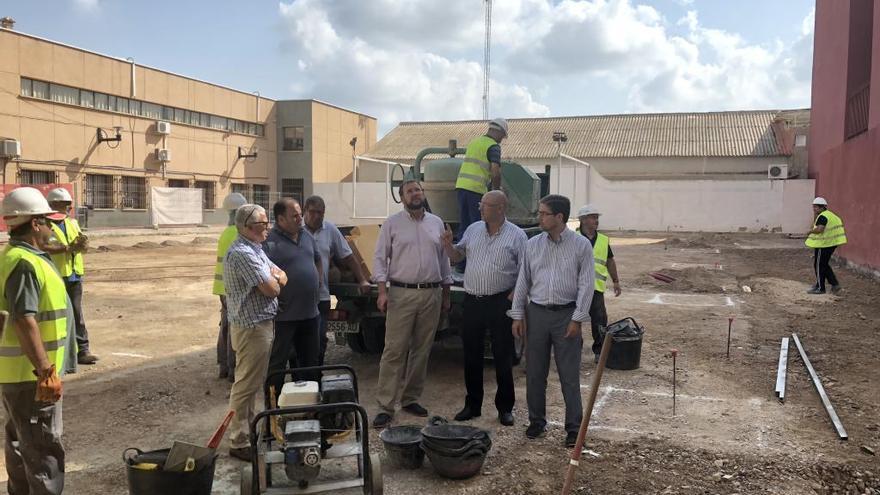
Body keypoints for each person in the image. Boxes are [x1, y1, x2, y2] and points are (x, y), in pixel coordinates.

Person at [508, 194, 594, 448]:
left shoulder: (580, 246)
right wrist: (517, 314)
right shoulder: (532, 245)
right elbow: (523, 280)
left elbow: (586, 285)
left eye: (544, 213)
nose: (540, 217)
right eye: (540, 213)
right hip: (537, 315)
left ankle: (573, 429)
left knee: (569, 375)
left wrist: (577, 318)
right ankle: (536, 422)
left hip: (567, 316)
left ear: (560, 217)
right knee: (534, 372)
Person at [0, 187, 70, 494]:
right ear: (36, 223)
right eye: (47, 221)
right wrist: (45, 370)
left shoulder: (16, 257)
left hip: (15, 373)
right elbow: (24, 319)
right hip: (30, 377)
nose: (53, 227)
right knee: (42, 448)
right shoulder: (25, 264)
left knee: (20, 441)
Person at [440, 190, 526, 427]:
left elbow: (525, 271)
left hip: (500, 302)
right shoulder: (473, 229)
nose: (480, 208)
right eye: (481, 204)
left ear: (500, 208)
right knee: (471, 355)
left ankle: (505, 408)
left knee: (503, 356)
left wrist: (513, 296)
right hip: (473, 302)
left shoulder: (517, 236)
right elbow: (457, 257)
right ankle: (473, 405)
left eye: (485, 205)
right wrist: (448, 245)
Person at [371, 180, 452, 428]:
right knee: (394, 351)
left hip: (431, 294)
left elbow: (445, 260)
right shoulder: (392, 224)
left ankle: (410, 399)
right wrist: (382, 292)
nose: (415, 194)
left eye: (418, 190)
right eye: (409, 191)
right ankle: (385, 406)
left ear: (423, 194)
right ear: (402, 197)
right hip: (401, 294)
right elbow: (379, 258)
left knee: (422, 349)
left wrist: (446, 295)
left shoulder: (436, 223)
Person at [223, 204, 287, 461]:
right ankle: (238, 441)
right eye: (263, 224)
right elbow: (272, 288)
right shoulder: (242, 254)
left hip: (260, 324)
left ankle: (248, 432)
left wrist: (277, 278)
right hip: (252, 328)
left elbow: (281, 276)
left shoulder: (255, 249)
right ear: (247, 227)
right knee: (246, 384)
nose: (268, 228)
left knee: (250, 383)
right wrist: (276, 280)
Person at [262, 198, 322, 393]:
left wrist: (317, 282)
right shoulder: (269, 243)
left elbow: (318, 259)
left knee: (310, 363)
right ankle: (274, 412)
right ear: (280, 219)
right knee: (278, 365)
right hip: (285, 317)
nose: (300, 219)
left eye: (300, 214)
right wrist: (271, 300)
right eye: (294, 216)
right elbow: (260, 277)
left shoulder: (306, 236)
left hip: (310, 313)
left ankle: (310, 405)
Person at [302, 195, 371, 365]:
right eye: (312, 212)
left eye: (320, 213)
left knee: (319, 339)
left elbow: (348, 256)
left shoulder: (330, 230)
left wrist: (362, 279)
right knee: (299, 342)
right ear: (304, 212)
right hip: (298, 298)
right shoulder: (295, 230)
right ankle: (301, 378)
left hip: (321, 297)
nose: (316, 216)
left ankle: (316, 374)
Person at [40, 187, 98, 365]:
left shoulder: (72, 223)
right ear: (53, 205)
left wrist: (83, 245)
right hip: (56, 276)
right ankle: (56, 354)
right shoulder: (44, 225)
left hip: (74, 275)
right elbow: (44, 246)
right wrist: (67, 248)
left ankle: (82, 350)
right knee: (55, 317)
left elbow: (78, 243)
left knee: (77, 314)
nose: (68, 208)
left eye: (69, 204)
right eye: (65, 205)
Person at [576, 204, 622, 362]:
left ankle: (599, 352)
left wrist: (615, 280)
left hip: (596, 288)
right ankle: (575, 350)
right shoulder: (571, 237)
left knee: (599, 320)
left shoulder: (602, 240)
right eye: (593, 217)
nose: (596, 220)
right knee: (574, 319)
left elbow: (609, 261)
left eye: (597, 218)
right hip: (575, 288)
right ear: (582, 220)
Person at [455, 118, 508, 242]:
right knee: (479, 225)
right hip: (476, 189)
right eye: (503, 136)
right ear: (499, 132)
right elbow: (495, 172)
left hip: (461, 187)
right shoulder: (493, 146)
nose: (501, 140)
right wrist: (497, 192)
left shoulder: (474, 142)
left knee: (465, 224)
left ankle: (462, 258)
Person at [213, 192, 248, 382]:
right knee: (236, 329)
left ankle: (223, 366)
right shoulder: (238, 234)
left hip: (222, 289)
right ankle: (234, 369)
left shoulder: (225, 233)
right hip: (234, 290)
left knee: (225, 326)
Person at [805, 197, 846, 294]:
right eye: (813, 207)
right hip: (831, 243)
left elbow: (820, 229)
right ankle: (834, 284)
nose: (814, 209)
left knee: (819, 265)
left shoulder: (823, 217)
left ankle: (820, 288)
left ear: (822, 207)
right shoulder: (831, 215)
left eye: (815, 207)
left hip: (823, 245)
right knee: (823, 265)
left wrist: (810, 231)